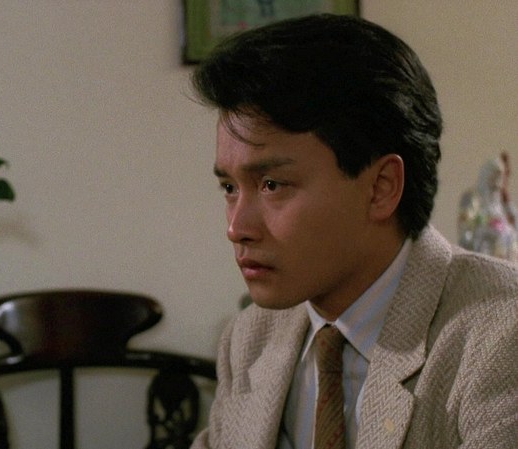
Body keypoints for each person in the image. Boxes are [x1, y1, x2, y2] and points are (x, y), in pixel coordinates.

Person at [189, 14, 518, 449]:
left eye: (272, 185)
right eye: (229, 188)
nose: (236, 228)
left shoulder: (500, 335)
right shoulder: (250, 338)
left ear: (381, 187)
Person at [457, 152, 518, 261]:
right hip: (479, 258)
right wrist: (487, 230)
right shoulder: (472, 198)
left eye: (501, 177)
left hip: (502, 263)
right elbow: (465, 234)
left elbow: (514, 234)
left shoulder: (502, 206)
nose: (498, 184)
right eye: (495, 176)